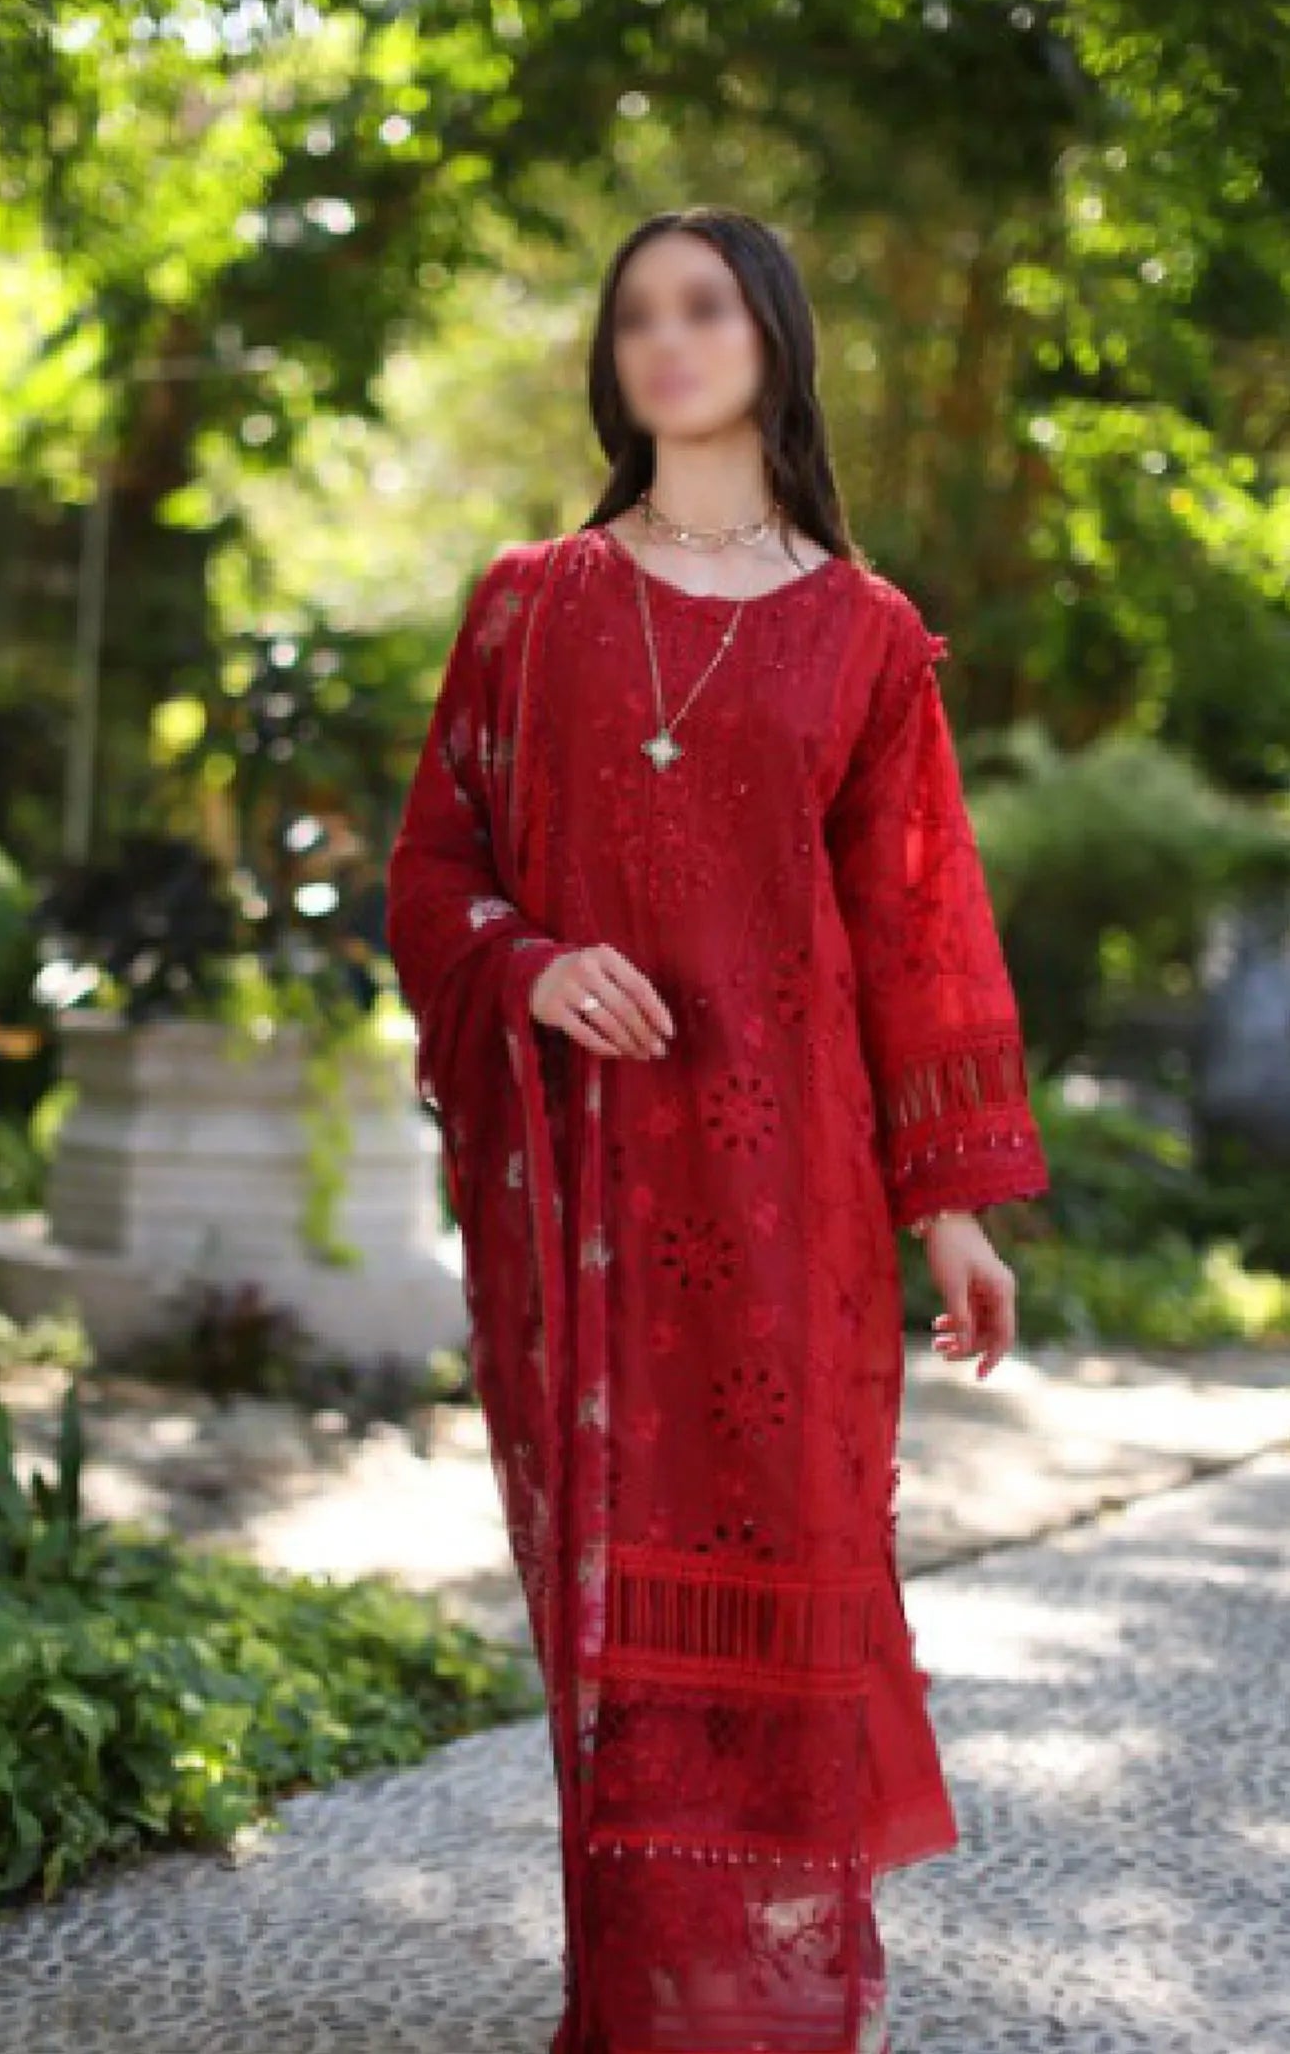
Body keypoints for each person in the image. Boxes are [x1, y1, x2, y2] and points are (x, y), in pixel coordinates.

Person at [384, 206, 1050, 2054]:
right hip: (596, 1185)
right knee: (617, 1615)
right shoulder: (532, 604)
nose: (666, 341)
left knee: (787, 1577)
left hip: (793, 1194)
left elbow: (918, 933)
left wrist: (954, 1210)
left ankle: (768, 2002)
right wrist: (527, 968)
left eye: (703, 308)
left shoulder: (866, 635)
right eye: (637, 318)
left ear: (770, 339)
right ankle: (640, 2001)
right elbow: (434, 867)